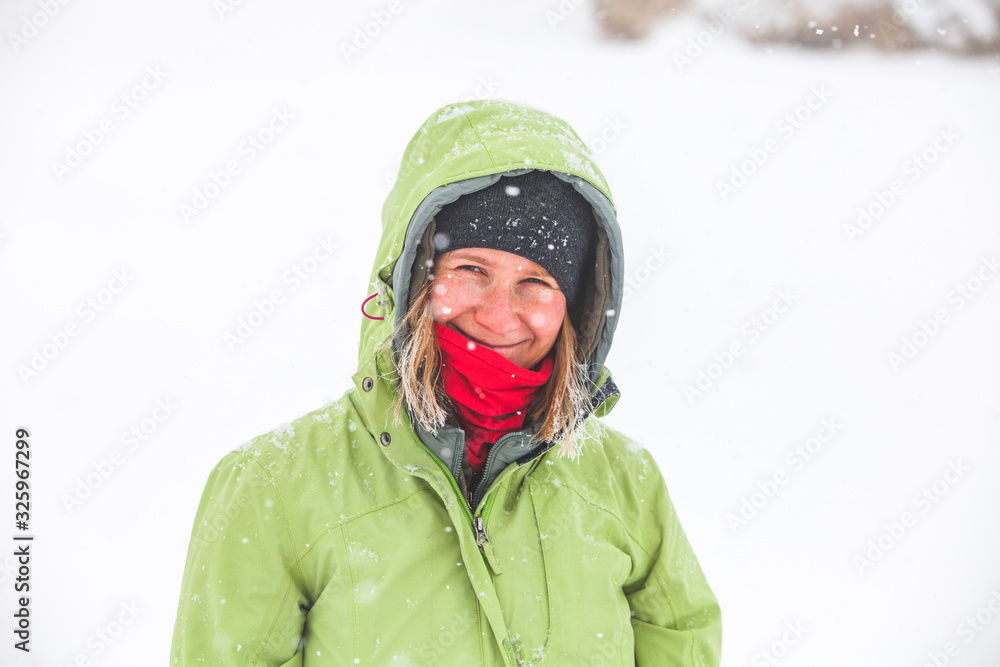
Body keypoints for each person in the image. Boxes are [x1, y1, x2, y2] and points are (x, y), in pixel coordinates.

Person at [170, 99, 722, 666]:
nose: (499, 316)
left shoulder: (627, 484)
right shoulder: (276, 484)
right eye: (471, 270)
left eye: (536, 282)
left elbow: (683, 641)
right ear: (415, 280)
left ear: (575, 309)